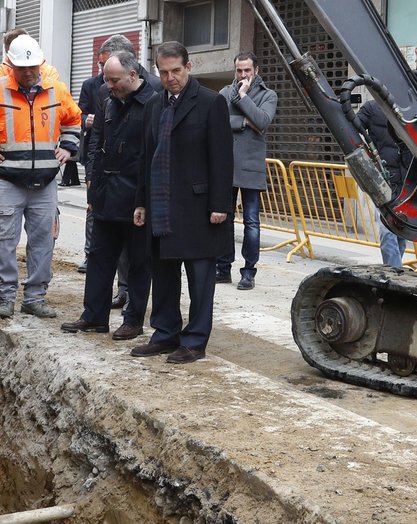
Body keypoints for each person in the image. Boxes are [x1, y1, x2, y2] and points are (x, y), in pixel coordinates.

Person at [0, 34, 82, 318]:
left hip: (45, 183)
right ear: (10, 65)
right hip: (7, 180)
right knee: (3, 240)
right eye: (22, 68)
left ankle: (34, 298)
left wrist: (69, 148)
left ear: (41, 63)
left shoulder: (57, 91)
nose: (28, 73)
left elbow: (73, 118)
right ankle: (5, 297)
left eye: (33, 67)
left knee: (43, 242)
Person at [132, 42, 233, 364]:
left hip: (199, 207)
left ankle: (194, 341)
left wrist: (221, 204)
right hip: (161, 206)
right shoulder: (152, 105)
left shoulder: (210, 102)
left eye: (176, 70)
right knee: (163, 274)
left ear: (189, 67)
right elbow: (145, 157)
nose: (170, 77)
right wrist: (141, 203)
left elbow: (222, 157)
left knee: (201, 279)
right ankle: (165, 334)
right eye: (163, 72)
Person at [63, 51, 157, 339]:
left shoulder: (154, 102)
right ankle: (94, 316)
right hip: (105, 194)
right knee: (99, 257)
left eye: (114, 80)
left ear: (132, 75)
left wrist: (145, 199)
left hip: (137, 198)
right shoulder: (107, 99)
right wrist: (92, 179)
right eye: (106, 79)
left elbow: (153, 155)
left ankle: (133, 320)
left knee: (138, 262)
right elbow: (96, 142)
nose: (109, 85)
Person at [75, 34, 139, 274]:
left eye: (105, 64)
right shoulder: (92, 86)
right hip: (99, 156)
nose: (102, 72)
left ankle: (124, 277)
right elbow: (76, 115)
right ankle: (90, 254)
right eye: (100, 65)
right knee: (94, 208)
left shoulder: (148, 87)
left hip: (127, 166)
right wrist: (86, 120)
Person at [217, 52, 277, 290]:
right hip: (226, 165)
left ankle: (248, 273)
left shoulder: (268, 95)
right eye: (239, 70)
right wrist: (243, 122)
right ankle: (223, 269)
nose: (243, 75)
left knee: (251, 222)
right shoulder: (223, 93)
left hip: (251, 166)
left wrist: (242, 97)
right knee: (224, 220)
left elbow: (262, 121)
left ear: (256, 71)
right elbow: (218, 122)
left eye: (247, 71)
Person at [356, 97, 412, 268]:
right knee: (387, 229)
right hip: (385, 178)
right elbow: (350, 126)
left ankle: (395, 268)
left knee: (401, 229)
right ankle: (395, 270)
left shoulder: (410, 106)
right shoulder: (372, 108)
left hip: (409, 176)